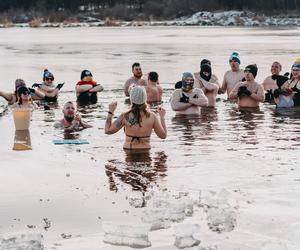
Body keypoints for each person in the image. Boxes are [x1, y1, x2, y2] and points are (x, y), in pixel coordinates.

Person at [104, 86, 167, 150]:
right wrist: (162, 117)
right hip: (145, 151)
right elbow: (163, 136)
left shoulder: (125, 116)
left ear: (131, 99)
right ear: (145, 98)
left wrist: (111, 112)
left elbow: (107, 131)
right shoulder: (152, 116)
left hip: (129, 150)